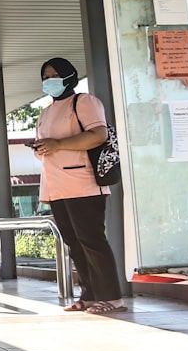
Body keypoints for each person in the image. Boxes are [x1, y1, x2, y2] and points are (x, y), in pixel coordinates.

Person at [33, 58, 125, 314]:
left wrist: (58, 144)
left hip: (83, 184)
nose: (49, 80)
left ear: (69, 76)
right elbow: (46, 145)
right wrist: (41, 148)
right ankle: (90, 295)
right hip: (55, 186)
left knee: (92, 240)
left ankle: (112, 297)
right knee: (74, 243)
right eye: (45, 77)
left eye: (54, 75)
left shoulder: (83, 102)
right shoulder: (45, 112)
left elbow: (99, 135)